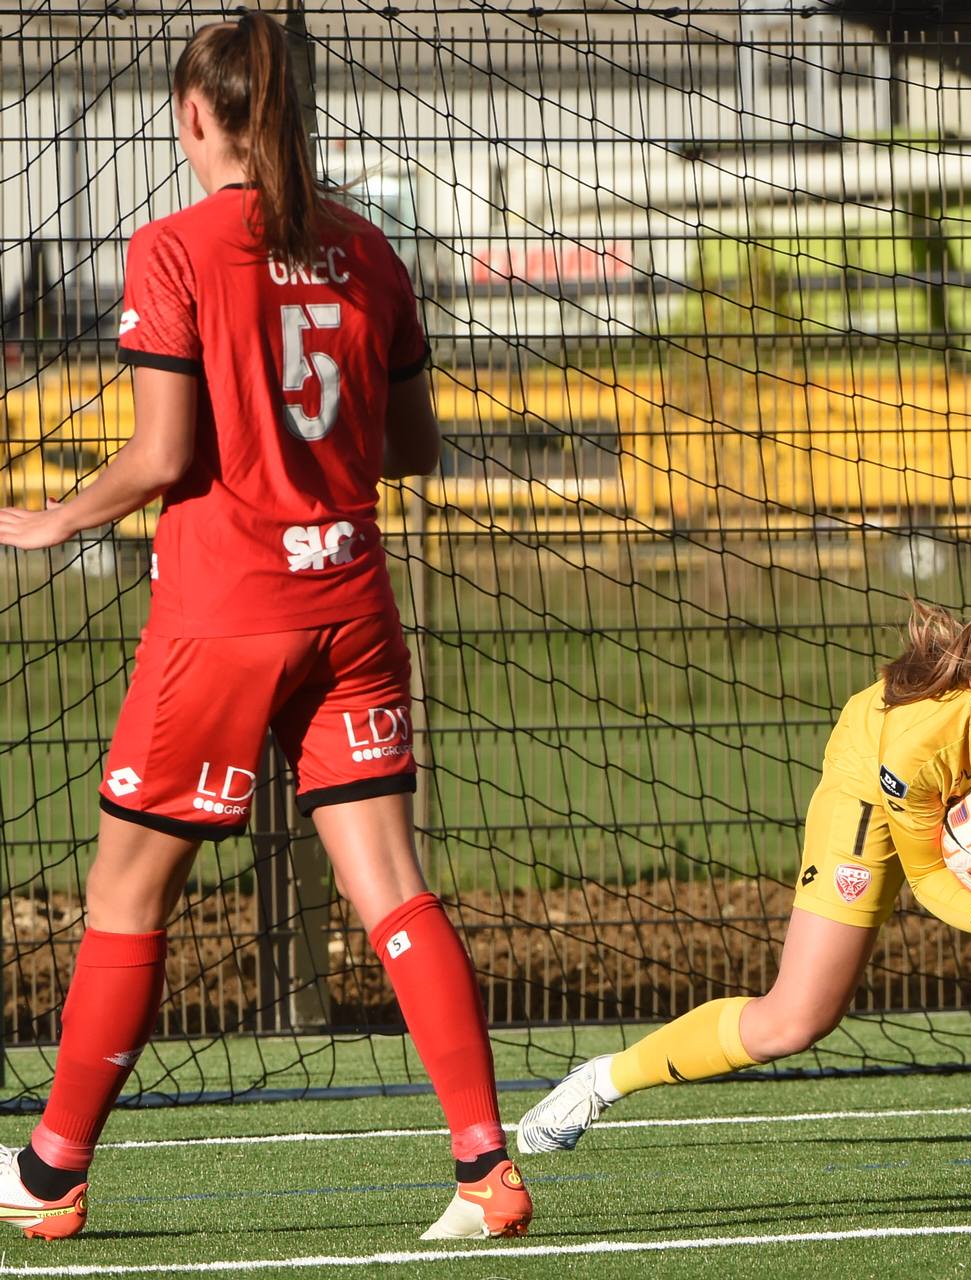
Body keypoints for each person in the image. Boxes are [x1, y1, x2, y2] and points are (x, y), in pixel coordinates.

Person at [0, 13, 530, 1241]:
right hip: (351, 604)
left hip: (225, 615)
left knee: (126, 893)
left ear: (196, 115)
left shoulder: (173, 248)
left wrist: (56, 517)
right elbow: (413, 448)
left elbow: (163, 453)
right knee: (393, 889)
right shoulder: (369, 249)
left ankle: (51, 1171)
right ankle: (484, 1162)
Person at [515, 602, 971, 1153]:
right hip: (873, 788)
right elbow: (927, 874)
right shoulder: (915, 743)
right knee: (796, 1021)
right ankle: (600, 1082)